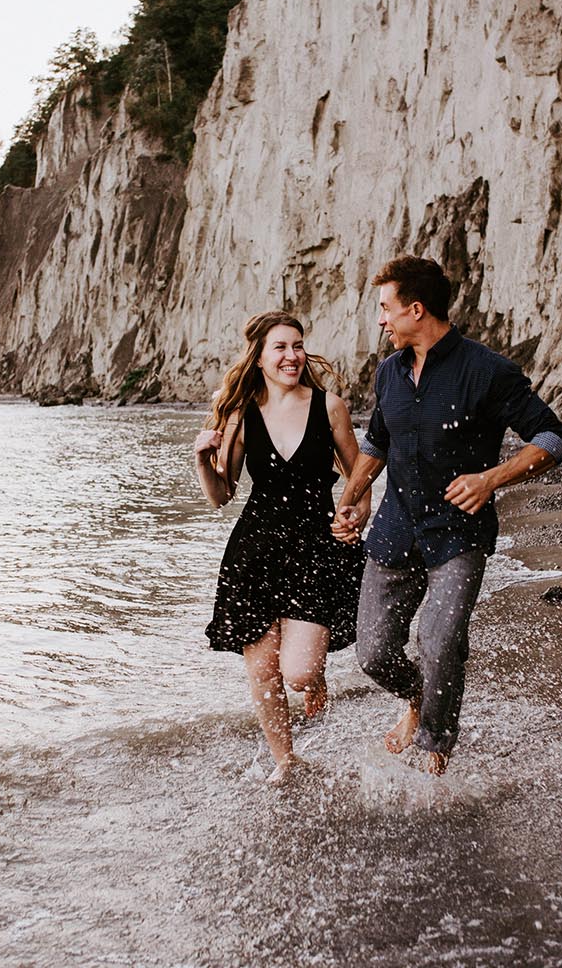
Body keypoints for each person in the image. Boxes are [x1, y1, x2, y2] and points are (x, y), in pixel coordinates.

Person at [332, 255, 562, 775]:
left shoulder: (488, 371)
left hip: (459, 534)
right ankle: (419, 700)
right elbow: (377, 443)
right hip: (395, 530)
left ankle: (434, 745)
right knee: (373, 654)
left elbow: (552, 437)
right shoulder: (389, 371)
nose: (381, 320)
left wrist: (492, 479)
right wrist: (351, 498)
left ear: (416, 310)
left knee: (439, 641)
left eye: (385, 309)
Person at [195, 312, 369, 783]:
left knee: (296, 671)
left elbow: (361, 474)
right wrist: (200, 458)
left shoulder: (328, 406)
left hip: (315, 549)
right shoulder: (240, 415)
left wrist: (355, 513)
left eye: (297, 346)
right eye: (280, 348)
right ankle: (285, 760)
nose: (292, 356)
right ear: (260, 356)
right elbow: (220, 495)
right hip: (255, 552)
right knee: (264, 673)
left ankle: (316, 678)